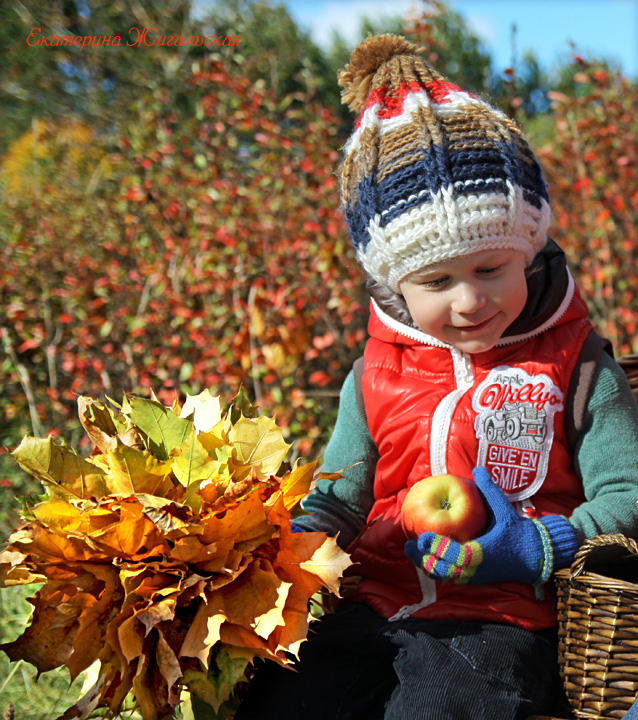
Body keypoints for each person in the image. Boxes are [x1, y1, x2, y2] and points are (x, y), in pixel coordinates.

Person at [234, 34, 638, 720]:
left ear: (529, 248)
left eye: (491, 270)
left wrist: (538, 545)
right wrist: (277, 548)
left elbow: (629, 493)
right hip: (369, 607)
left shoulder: (577, 367)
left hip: (504, 621)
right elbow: (337, 501)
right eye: (437, 280)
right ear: (393, 284)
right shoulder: (373, 374)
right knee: (282, 700)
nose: (469, 300)